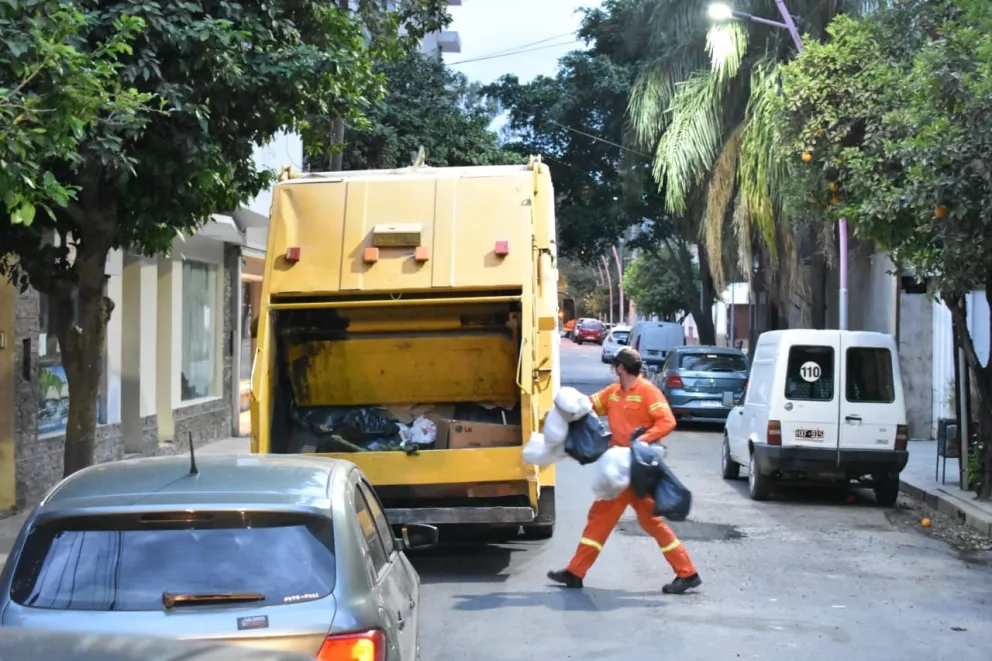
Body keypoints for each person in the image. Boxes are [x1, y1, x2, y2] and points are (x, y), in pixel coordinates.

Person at [547, 347, 702, 595]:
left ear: (620, 368)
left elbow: (667, 421)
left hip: (639, 468)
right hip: (619, 469)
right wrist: (562, 412)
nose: (613, 371)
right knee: (605, 518)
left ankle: (688, 572)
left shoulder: (647, 392)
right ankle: (575, 572)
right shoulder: (613, 393)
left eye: (615, 367)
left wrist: (643, 440)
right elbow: (587, 407)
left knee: (644, 521)